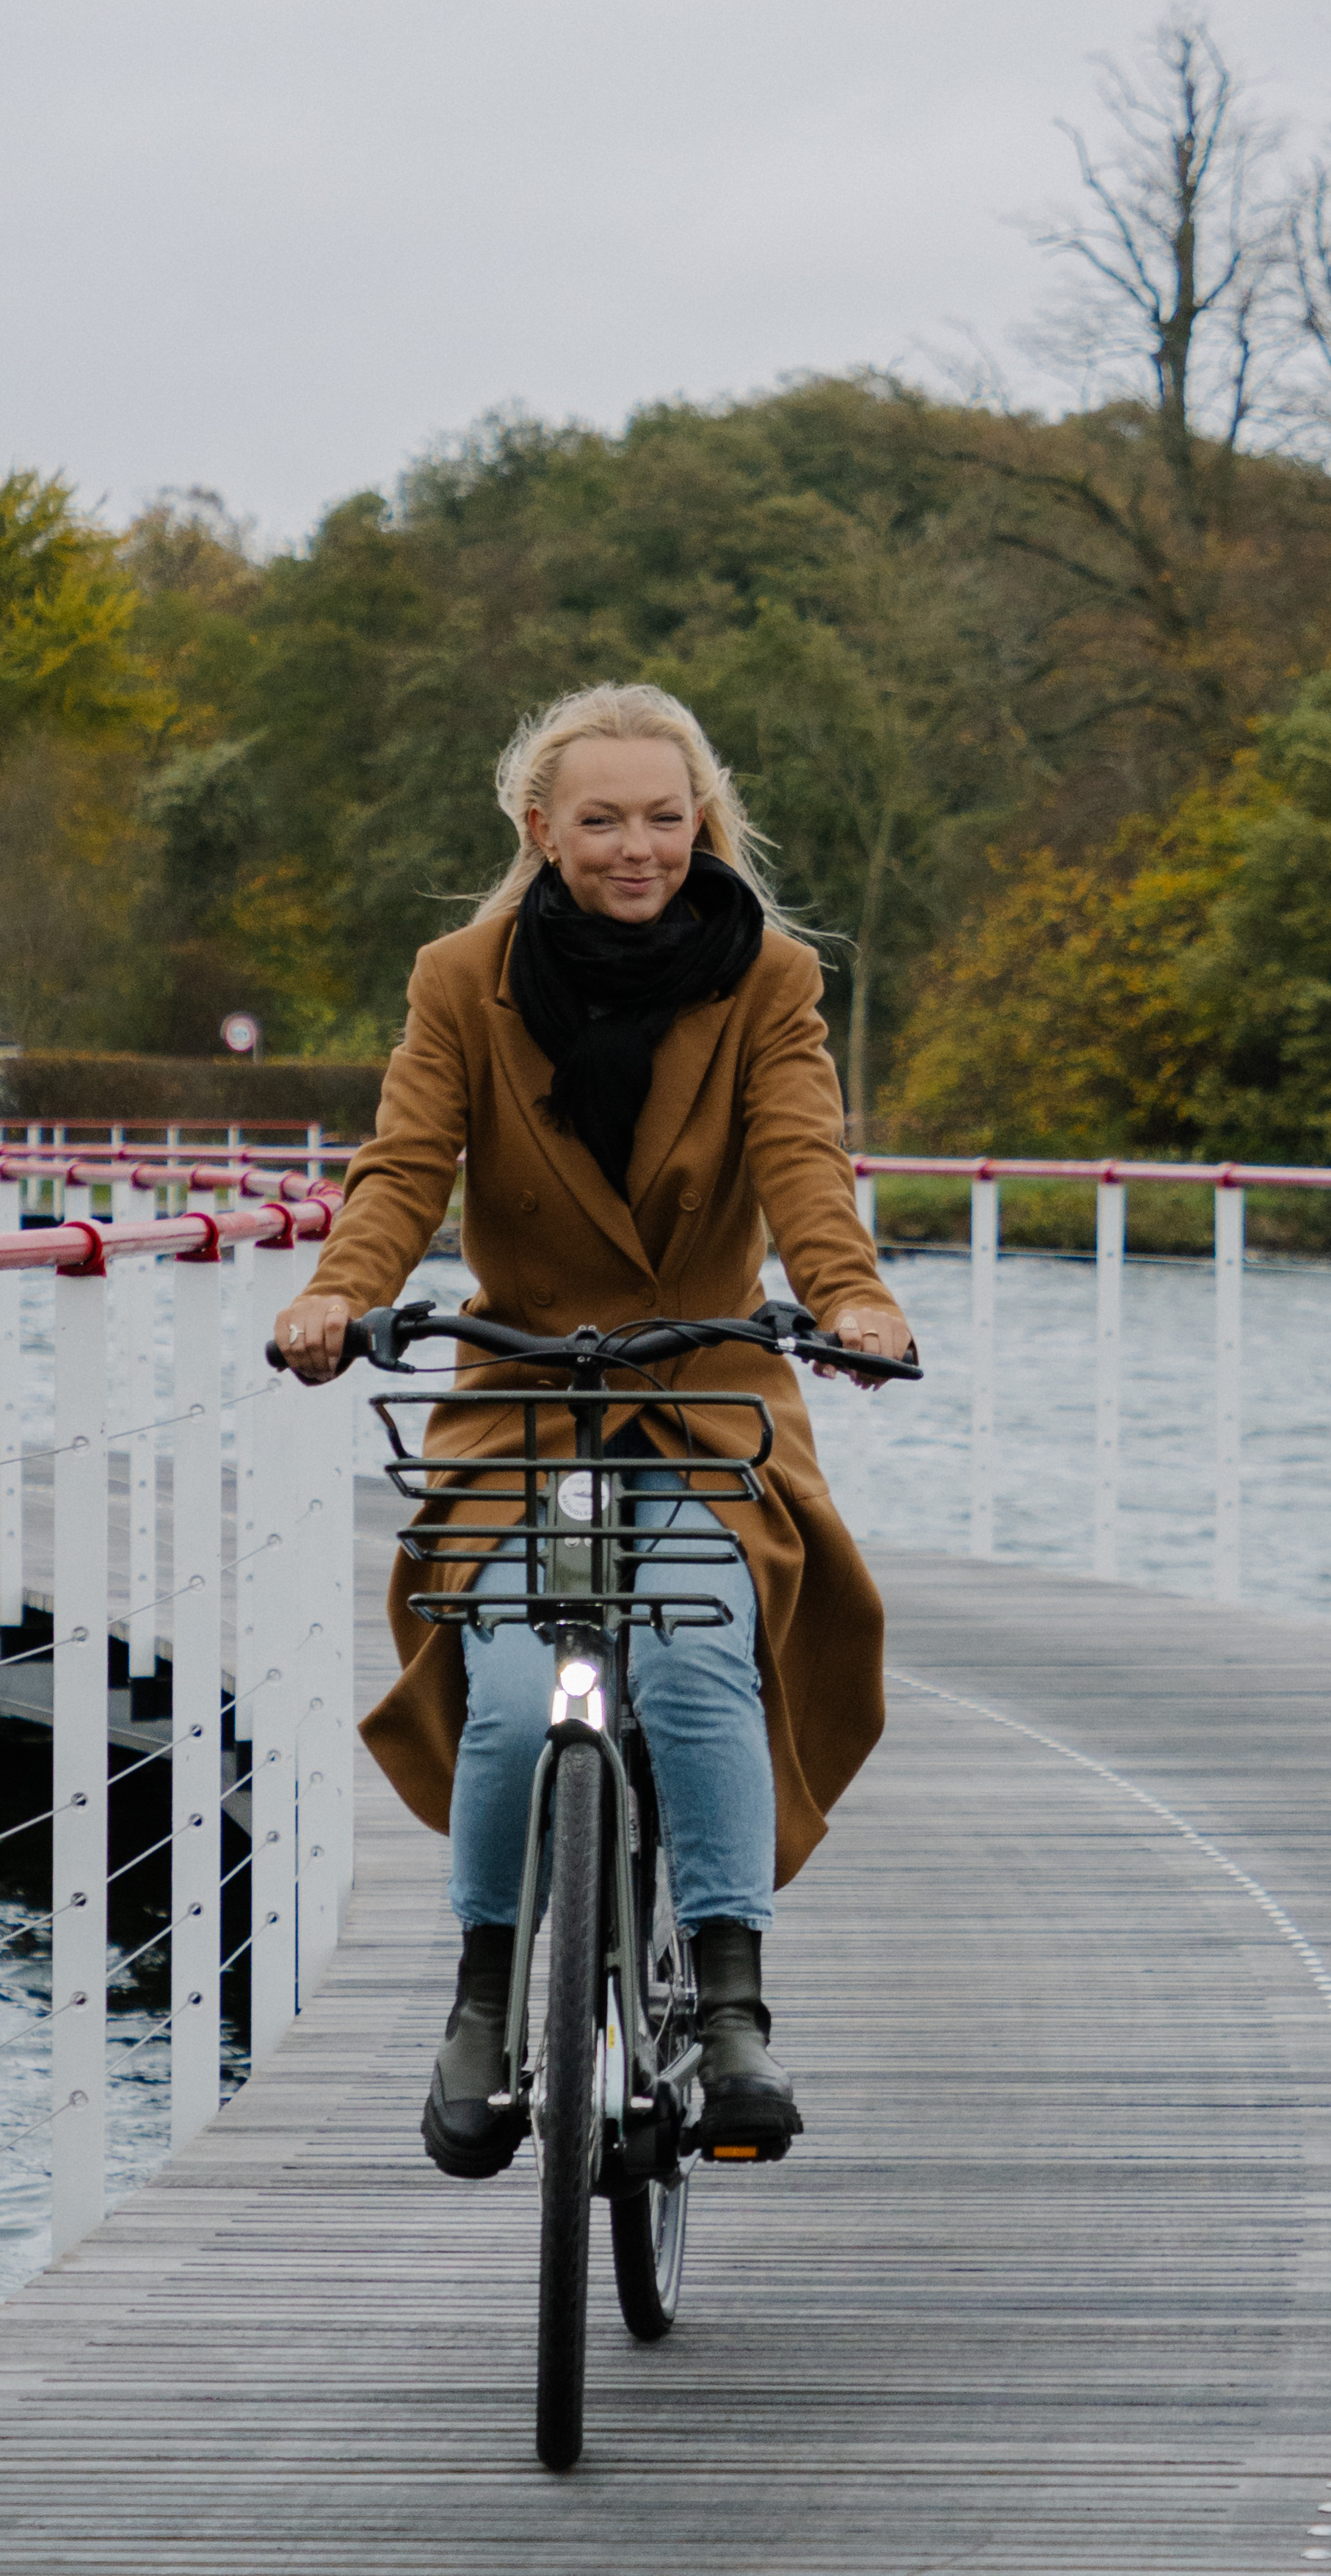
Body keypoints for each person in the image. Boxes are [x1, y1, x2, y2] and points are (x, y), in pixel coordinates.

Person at [277, 681, 915, 2176]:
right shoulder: (463, 976)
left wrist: (854, 1303)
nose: (638, 847)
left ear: (705, 822)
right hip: (522, 1396)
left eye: (665, 817)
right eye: (603, 819)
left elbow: (803, 1164)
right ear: (539, 829)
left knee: (697, 1657)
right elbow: (401, 1169)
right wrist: (335, 1293)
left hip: (703, 1395)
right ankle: (487, 1999)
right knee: (510, 1697)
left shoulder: (769, 975)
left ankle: (732, 2004)